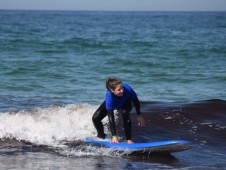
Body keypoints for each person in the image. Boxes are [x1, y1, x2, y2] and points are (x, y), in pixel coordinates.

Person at [92, 77, 145, 144]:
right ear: (112, 90)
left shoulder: (128, 89)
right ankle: (101, 136)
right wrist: (114, 136)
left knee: (124, 112)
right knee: (95, 118)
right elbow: (111, 117)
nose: (122, 90)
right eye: (119, 90)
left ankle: (129, 140)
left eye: (122, 88)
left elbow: (136, 101)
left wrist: (139, 114)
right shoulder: (109, 98)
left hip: (126, 102)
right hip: (115, 102)